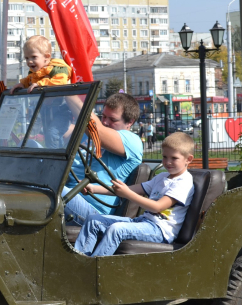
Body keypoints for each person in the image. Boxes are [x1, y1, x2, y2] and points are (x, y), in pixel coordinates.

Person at [74, 132, 195, 257]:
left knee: (117, 229)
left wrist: (127, 193)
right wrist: (94, 188)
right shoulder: (161, 177)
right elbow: (129, 189)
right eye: (165, 157)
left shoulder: (184, 182)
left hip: (160, 231)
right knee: (93, 220)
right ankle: (79, 260)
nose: (168, 162)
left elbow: (157, 207)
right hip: (142, 222)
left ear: (188, 159)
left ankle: (93, 268)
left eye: (174, 158)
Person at [61, 92, 143, 225]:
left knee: (54, 191)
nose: (105, 122)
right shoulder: (85, 136)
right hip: (71, 196)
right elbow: (58, 135)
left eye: (113, 119)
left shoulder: (132, 141)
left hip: (96, 213)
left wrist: (67, 91)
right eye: (103, 116)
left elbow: (96, 131)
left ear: (130, 122)